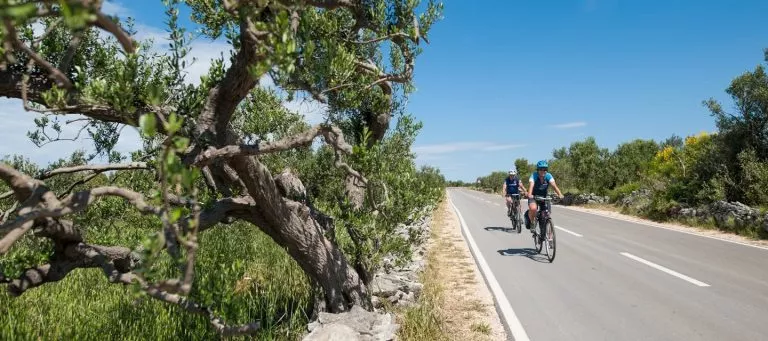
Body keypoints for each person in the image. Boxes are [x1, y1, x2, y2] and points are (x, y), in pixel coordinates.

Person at [525, 160, 563, 230]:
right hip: (534, 196)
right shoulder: (534, 175)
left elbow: (554, 186)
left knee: (547, 214)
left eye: (545, 169)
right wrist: (530, 194)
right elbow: (531, 185)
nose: (543, 171)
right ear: (538, 170)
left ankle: (548, 234)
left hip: (544, 197)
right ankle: (532, 222)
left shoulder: (548, 176)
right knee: (533, 208)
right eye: (541, 169)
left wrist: (560, 194)